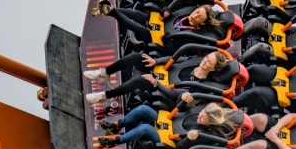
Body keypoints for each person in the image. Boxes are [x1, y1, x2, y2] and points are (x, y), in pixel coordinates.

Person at [83, 50, 231, 104]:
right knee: (138, 56)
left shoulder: (202, 85)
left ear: (213, 68)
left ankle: (105, 96)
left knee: (141, 80)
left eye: (208, 62)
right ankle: (105, 73)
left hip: (163, 91)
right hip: (162, 73)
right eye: (206, 58)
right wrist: (156, 61)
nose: (204, 61)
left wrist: (156, 83)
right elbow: (173, 59)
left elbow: (175, 94)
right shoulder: (193, 61)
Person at [96, 102, 244, 149]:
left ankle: (114, 142)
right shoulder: (203, 109)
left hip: (170, 142)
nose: (199, 115)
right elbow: (183, 106)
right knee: (143, 109)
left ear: (210, 122)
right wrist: (184, 99)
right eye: (201, 113)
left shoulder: (206, 135)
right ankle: (117, 125)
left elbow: (180, 147)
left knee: (145, 129)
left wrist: (189, 139)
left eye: (203, 117)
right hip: (171, 123)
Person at [91, 0, 228, 45]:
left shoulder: (195, 37)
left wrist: (168, 39)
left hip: (160, 40)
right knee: (140, 15)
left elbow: (175, 49)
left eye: (199, 17)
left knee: (141, 30)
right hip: (161, 23)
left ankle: (110, 10)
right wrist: (165, 11)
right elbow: (168, 9)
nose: (195, 15)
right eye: (197, 12)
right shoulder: (187, 9)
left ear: (202, 23)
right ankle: (108, 9)